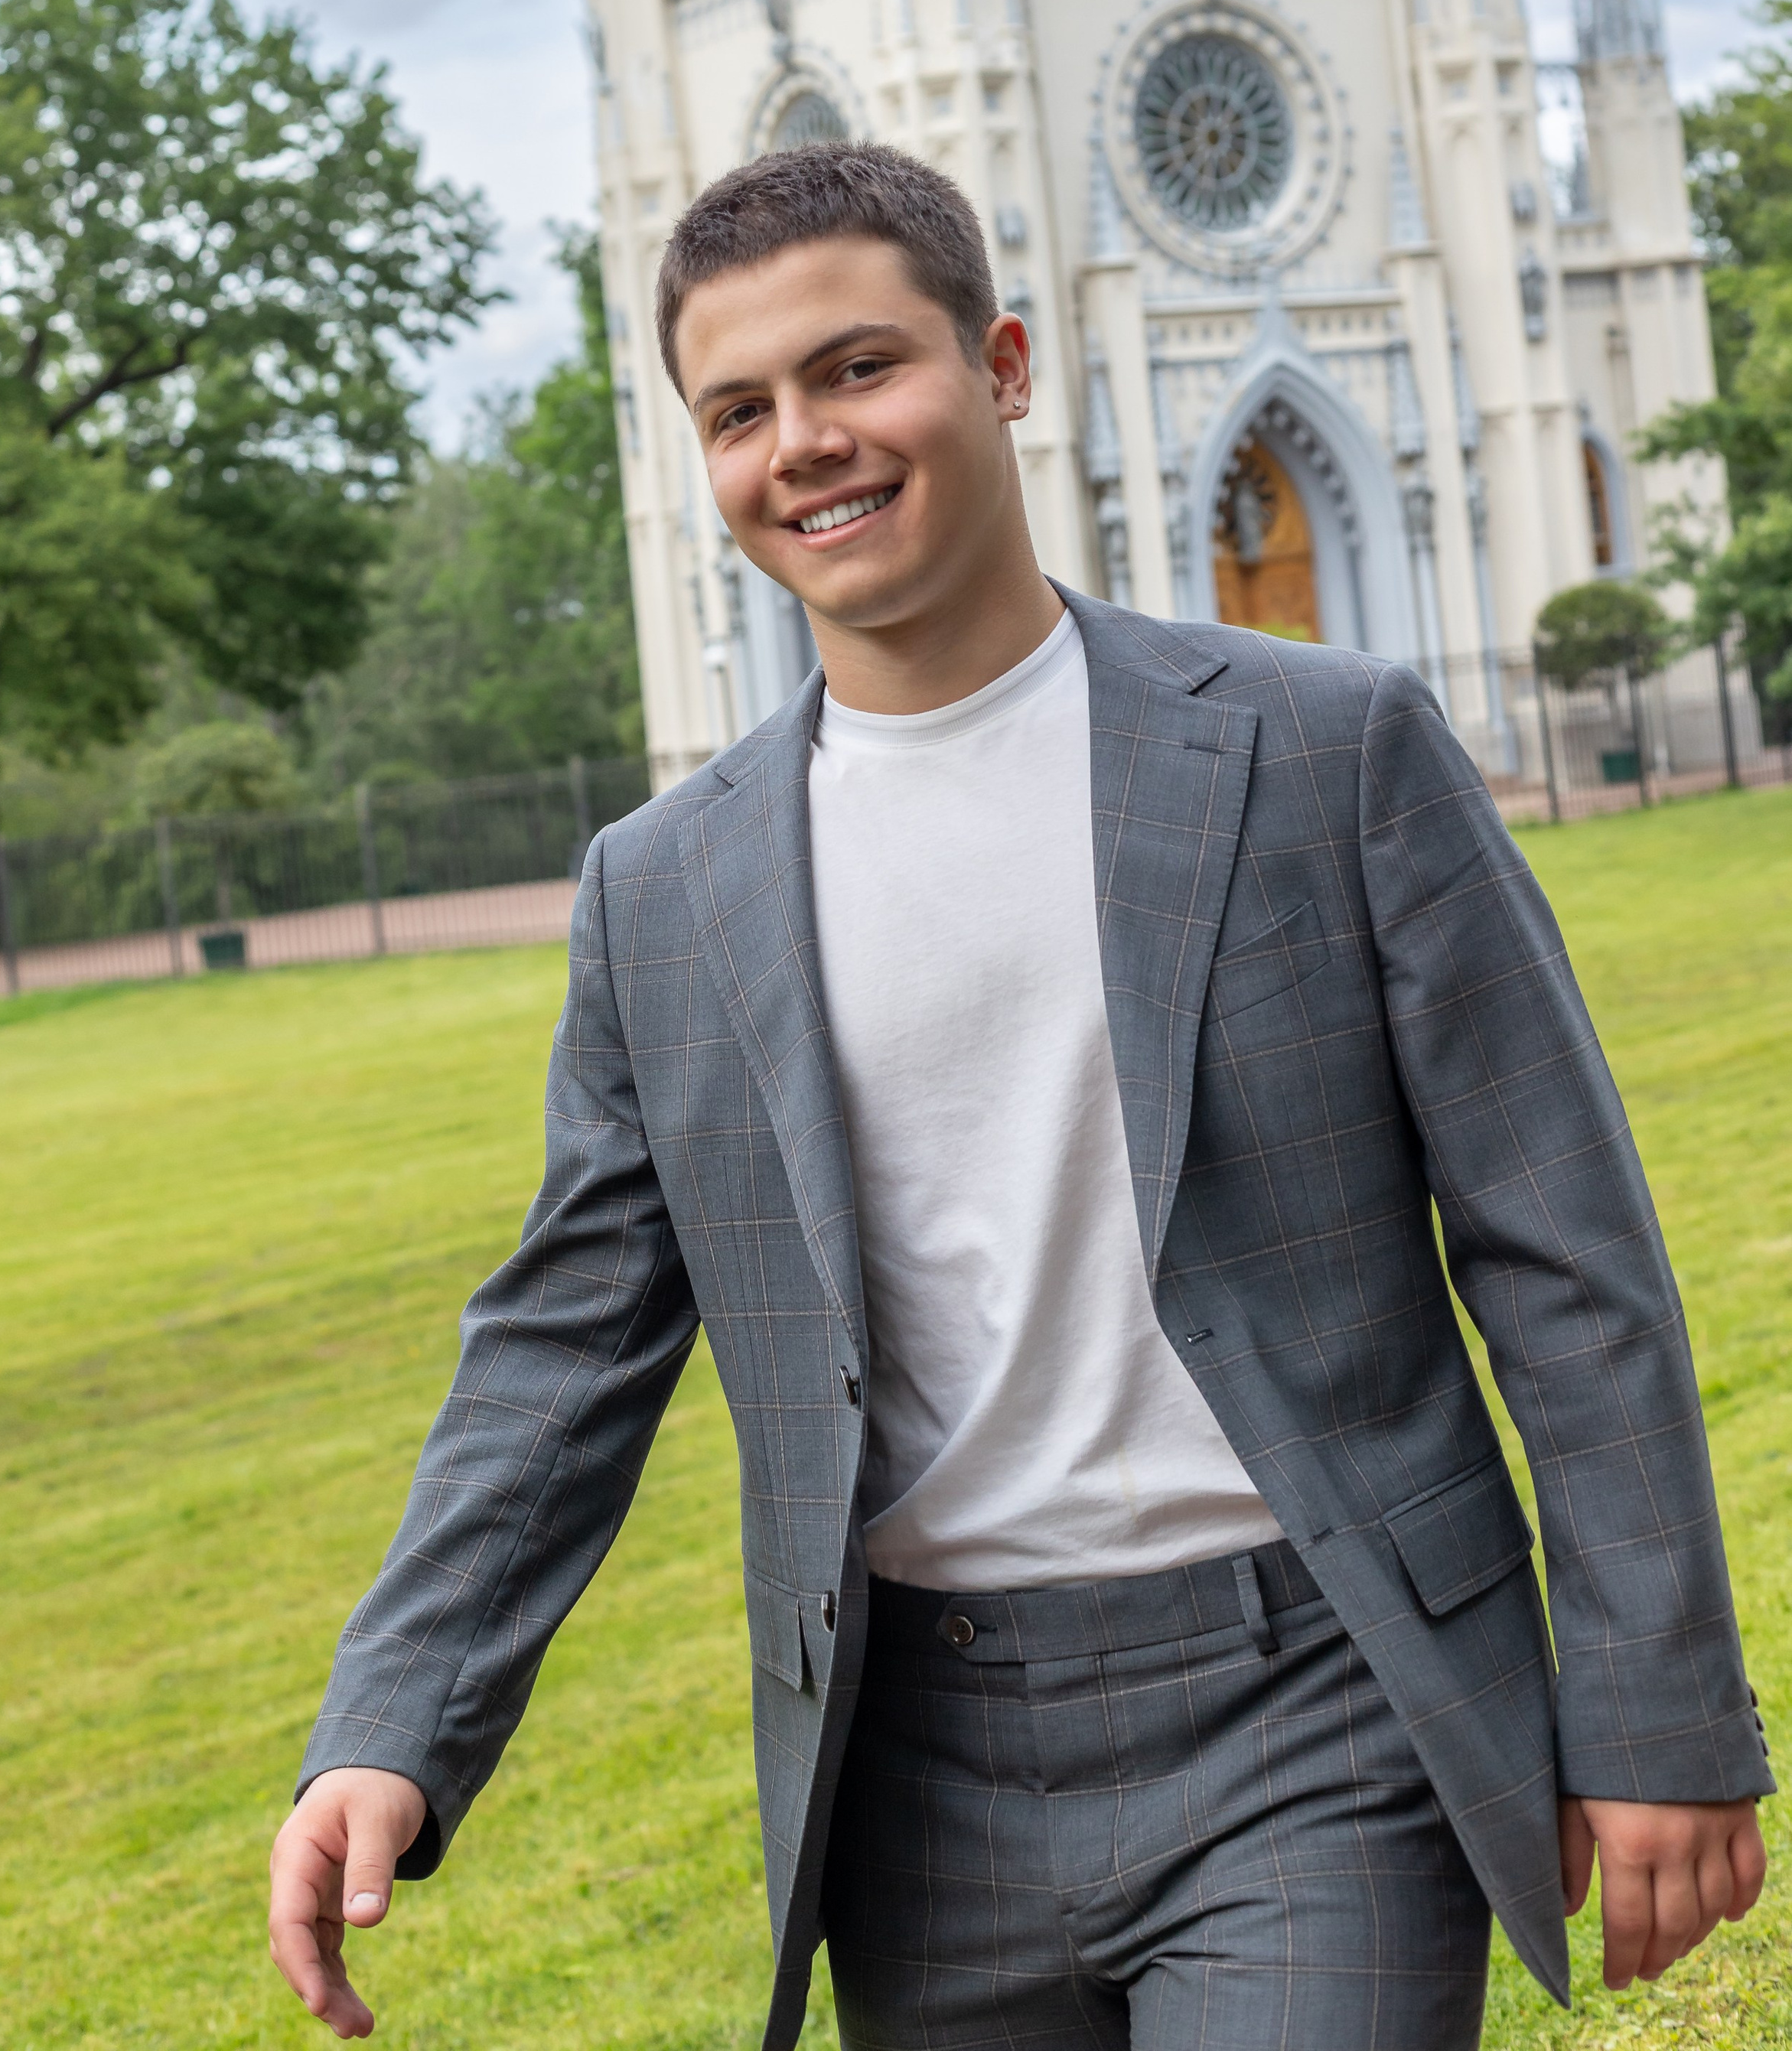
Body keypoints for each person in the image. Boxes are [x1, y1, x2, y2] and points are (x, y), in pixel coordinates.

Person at [271, 145, 1769, 2047]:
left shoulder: (1329, 752)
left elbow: (1563, 1252)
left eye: (855, 370)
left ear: (998, 366)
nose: (801, 441)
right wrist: (393, 1720)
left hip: (1309, 1700)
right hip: (919, 1770)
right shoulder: (664, 889)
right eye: (738, 410)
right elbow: (562, 1342)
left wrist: (1654, 1708)